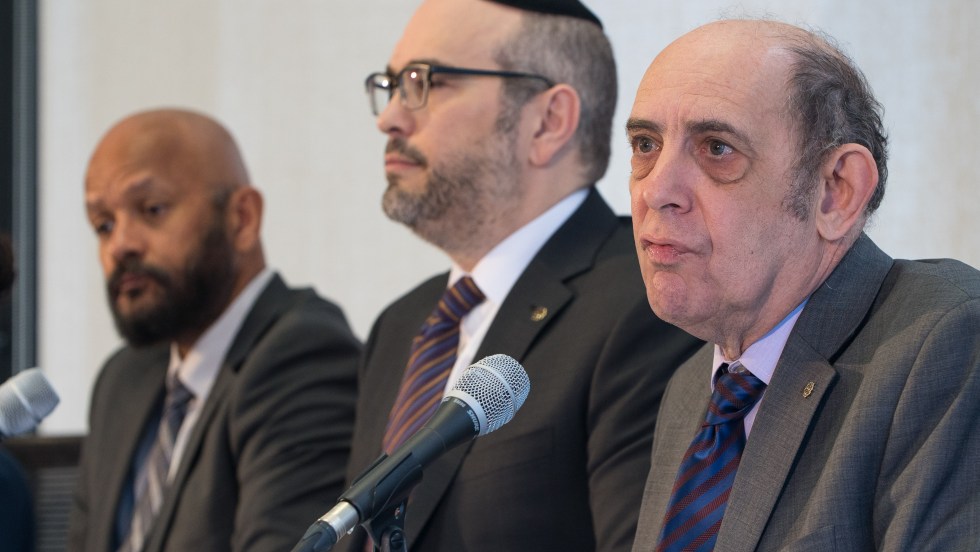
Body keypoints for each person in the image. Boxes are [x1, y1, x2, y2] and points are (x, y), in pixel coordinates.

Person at [340, 1, 702, 551]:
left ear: (548, 122)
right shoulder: (400, 326)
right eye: (391, 85)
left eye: (424, 82)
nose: (388, 117)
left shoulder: (647, 301)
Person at [626, 19, 980, 551]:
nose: (657, 191)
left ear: (837, 192)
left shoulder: (947, 342)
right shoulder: (690, 387)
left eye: (717, 148)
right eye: (645, 144)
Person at [68, 109, 362, 552]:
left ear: (242, 218)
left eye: (152, 210)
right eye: (103, 225)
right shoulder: (123, 379)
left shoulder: (302, 356)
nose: (120, 245)